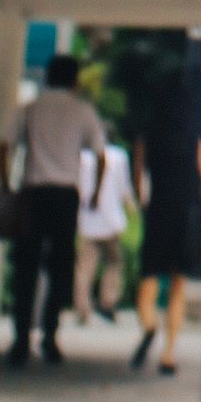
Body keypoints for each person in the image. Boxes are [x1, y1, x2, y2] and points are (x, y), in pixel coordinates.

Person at [5, 45, 107, 366]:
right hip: (65, 195)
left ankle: (21, 338)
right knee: (61, 267)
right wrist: (94, 194)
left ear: (48, 76)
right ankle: (50, 335)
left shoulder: (31, 108)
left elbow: (2, 145)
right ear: (75, 80)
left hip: (33, 192)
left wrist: (6, 184)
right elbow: (100, 154)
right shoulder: (83, 112)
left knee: (26, 265)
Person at [128, 46, 201, 377]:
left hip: (159, 207)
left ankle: (148, 322)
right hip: (187, 210)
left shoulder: (147, 135)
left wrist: (141, 200)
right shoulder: (192, 137)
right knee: (178, 284)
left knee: (149, 277)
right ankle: (169, 353)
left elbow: (138, 176)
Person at [74, 113, 135, 325]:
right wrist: (131, 205)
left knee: (85, 266)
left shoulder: (84, 157)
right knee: (115, 262)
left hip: (88, 217)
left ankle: (82, 307)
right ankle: (107, 300)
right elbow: (125, 186)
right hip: (111, 218)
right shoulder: (119, 157)